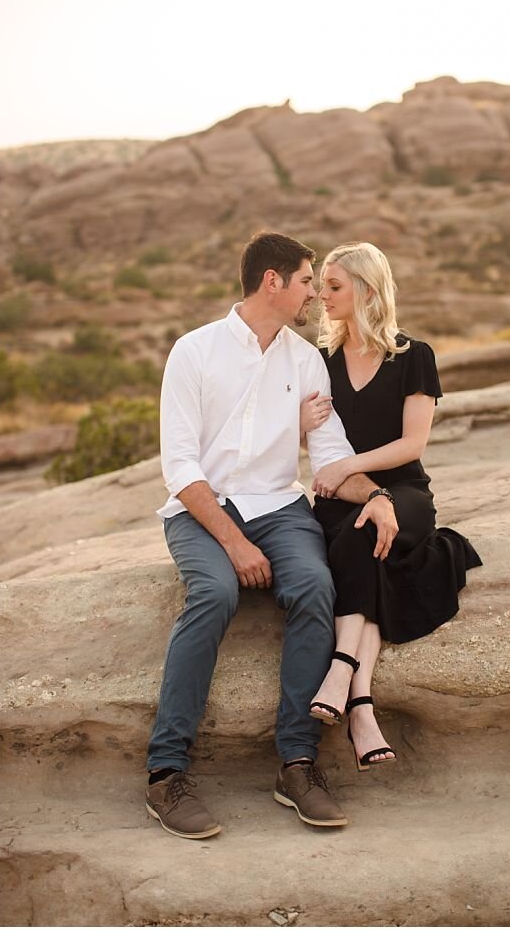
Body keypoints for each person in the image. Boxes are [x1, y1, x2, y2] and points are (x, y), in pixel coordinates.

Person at [145, 231, 399, 839]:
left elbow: (332, 451)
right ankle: (165, 772)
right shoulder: (194, 352)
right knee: (214, 594)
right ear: (273, 282)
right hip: (203, 511)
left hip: (281, 508)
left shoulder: (306, 360)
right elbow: (180, 467)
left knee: (315, 586)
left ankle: (298, 763)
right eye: (309, 281)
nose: (315, 293)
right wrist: (234, 543)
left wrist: (380, 496)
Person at [297, 241, 481, 772]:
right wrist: (309, 436)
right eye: (320, 285)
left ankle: (341, 671)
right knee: (364, 540)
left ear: (367, 290)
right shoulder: (319, 362)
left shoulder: (413, 356)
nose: (321, 296)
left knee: (365, 536)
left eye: (333, 286)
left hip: (405, 490)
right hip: (343, 496)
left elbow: (412, 445)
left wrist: (349, 467)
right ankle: (361, 707)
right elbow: (310, 438)